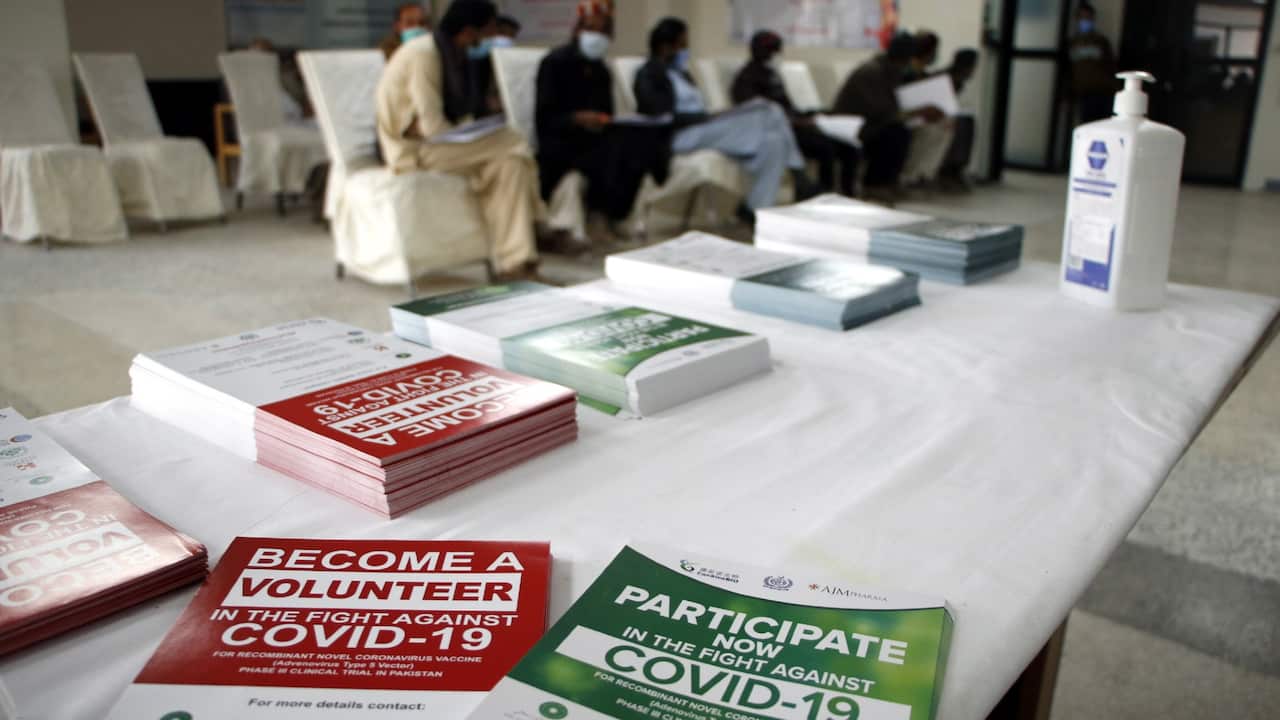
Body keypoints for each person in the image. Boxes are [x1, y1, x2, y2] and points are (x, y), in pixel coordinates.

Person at [376, 0, 553, 281]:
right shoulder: (424, 54)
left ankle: (515, 266)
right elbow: (432, 125)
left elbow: (459, 115)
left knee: (511, 163)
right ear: (470, 31)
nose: (489, 39)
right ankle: (540, 218)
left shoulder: (455, 55)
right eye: (488, 31)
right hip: (412, 151)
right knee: (513, 140)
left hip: (439, 145)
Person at [634, 17, 813, 224]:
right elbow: (660, 115)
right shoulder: (647, 74)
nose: (686, 50)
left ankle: (754, 210)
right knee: (770, 110)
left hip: (704, 128)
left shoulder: (682, 74)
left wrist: (713, 115)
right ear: (665, 46)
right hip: (677, 136)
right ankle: (799, 173)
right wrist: (706, 117)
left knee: (775, 142)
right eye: (683, 44)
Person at [535, 0, 669, 240]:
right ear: (578, 31)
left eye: (603, 32)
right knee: (610, 153)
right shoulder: (555, 63)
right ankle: (598, 216)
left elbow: (606, 112)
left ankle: (616, 216)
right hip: (561, 139)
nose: (596, 36)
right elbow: (544, 117)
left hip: (594, 137)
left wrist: (602, 120)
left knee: (636, 146)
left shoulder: (601, 70)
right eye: (591, 29)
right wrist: (577, 118)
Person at [730, 30, 861, 197]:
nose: (777, 55)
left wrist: (813, 116)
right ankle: (823, 194)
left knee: (850, 146)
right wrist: (799, 122)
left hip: (798, 124)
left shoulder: (772, 75)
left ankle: (848, 195)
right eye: (774, 51)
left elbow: (788, 106)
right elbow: (760, 114)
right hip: (782, 132)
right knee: (825, 148)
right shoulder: (746, 79)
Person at [833, 33, 943, 204]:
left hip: (869, 122)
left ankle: (887, 181)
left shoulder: (889, 71)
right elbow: (882, 110)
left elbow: (891, 108)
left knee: (904, 130)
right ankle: (875, 184)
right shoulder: (872, 72)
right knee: (895, 133)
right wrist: (917, 113)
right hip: (852, 125)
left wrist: (917, 114)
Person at [898, 31, 954, 188]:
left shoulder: (921, 72)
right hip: (906, 115)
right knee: (929, 129)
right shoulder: (907, 71)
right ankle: (910, 174)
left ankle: (924, 173)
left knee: (945, 125)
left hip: (917, 113)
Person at [937, 48, 978, 191]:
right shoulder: (947, 79)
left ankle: (956, 167)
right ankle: (948, 169)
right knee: (960, 125)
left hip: (944, 116)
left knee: (967, 121)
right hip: (936, 117)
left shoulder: (958, 81)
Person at [1069, 2, 1117, 124]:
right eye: (1082, 18)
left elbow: (1110, 65)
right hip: (1083, 92)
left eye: (1088, 18)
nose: (1085, 21)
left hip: (1102, 91)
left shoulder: (1101, 42)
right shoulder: (1072, 43)